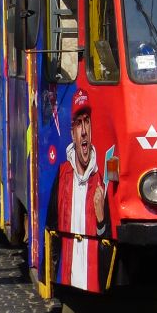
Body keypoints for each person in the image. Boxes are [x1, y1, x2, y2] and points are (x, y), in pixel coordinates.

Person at [45, 88, 111, 292]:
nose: (83, 130)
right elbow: (51, 225)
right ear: (72, 133)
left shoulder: (100, 179)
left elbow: (108, 243)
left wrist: (101, 222)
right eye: (78, 123)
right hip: (68, 281)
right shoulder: (63, 175)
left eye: (87, 122)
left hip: (94, 285)